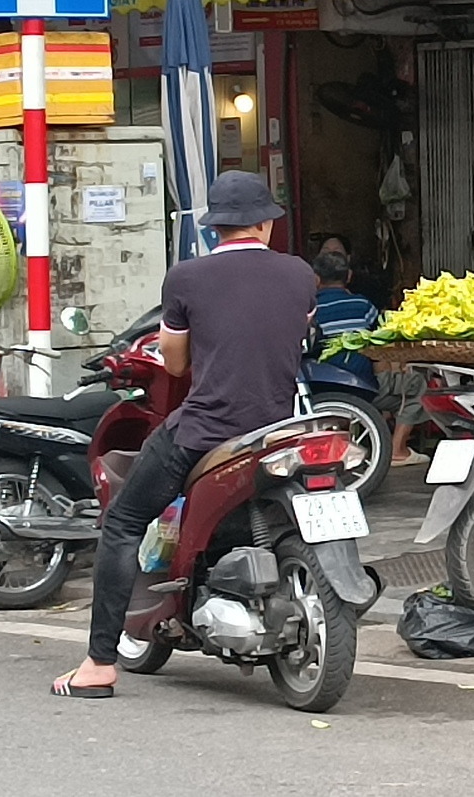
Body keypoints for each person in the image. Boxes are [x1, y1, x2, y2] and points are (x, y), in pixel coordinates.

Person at [52, 171, 317, 699]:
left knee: (124, 521)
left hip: (206, 431)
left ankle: (99, 663)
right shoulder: (300, 274)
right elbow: (299, 337)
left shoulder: (187, 278)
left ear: (215, 226)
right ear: (265, 223)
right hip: (281, 430)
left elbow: (173, 364)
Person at [312, 252, 424, 468]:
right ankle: (397, 449)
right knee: (417, 385)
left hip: (319, 391)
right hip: (362, 389)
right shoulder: (362, 305)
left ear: (316, 279)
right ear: (349, 276)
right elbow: (380, 343)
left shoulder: (308, 309)